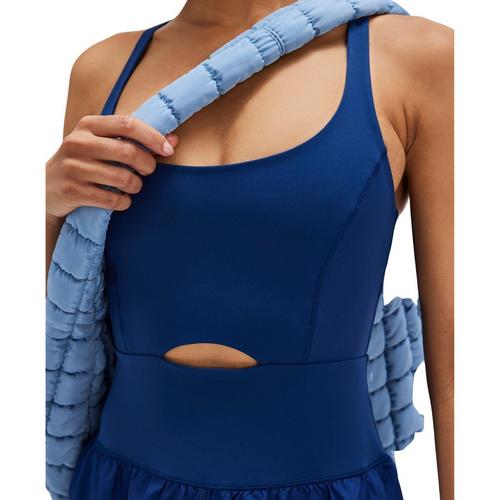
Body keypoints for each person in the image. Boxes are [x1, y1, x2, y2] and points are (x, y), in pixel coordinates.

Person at [45, 1, 453, 498]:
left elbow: (463, 355)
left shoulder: (416, 58)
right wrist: (44, 208)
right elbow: (63, 326)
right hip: (117, 483)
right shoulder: (102, 70)